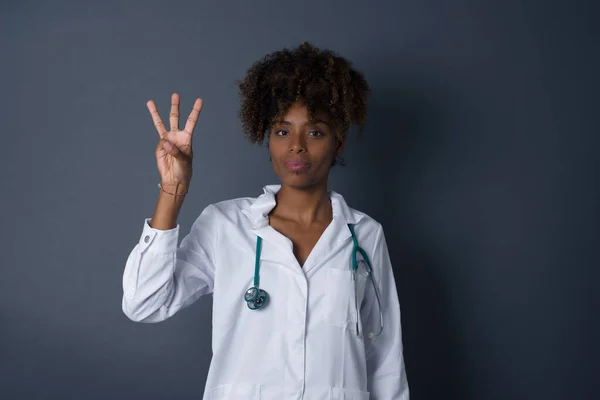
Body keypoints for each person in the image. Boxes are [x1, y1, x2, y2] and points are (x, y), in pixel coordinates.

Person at [122, 42, 409, 400]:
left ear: (339, 142)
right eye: (282, 131)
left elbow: (384, 359)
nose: (297, 146)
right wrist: (173, 190)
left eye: (316, 132)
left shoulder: (364, 235)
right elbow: (144, 303)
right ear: (267, 138)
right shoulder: (226, 226)